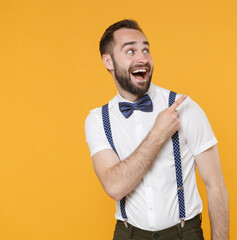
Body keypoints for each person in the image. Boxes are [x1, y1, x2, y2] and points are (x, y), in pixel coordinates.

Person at [85, 19, 229, 240]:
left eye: (146, 49)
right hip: (128, 233)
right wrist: (160, 132)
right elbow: (114, 186)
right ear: (108, 61)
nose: (142, 58)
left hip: (184, 233)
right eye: (130, 51)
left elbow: (215, 185)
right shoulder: (97, 120)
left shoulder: (185, 107)